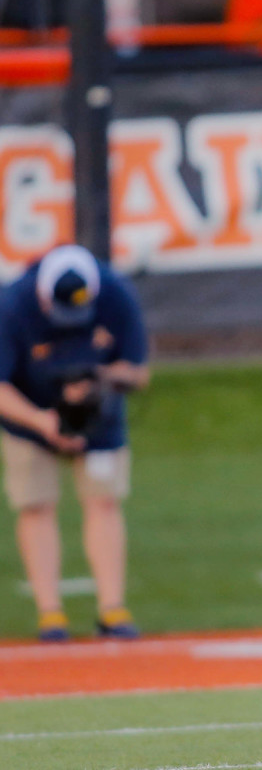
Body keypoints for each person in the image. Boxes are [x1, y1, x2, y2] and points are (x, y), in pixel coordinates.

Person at [0, 245, 150, 641]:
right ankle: (51, 614)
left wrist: (100, 380)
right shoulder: (12, 304)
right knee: (36, 504)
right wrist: (40, 420)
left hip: (98, 418)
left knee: (103, 500)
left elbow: (138, 372)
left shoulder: (115, 294)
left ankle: (112, 608)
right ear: (44, 297)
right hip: (29, 417)